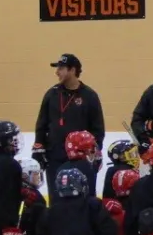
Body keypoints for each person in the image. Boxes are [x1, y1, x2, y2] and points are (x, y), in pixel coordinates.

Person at [32, 54, 106, 199]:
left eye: (61, 68)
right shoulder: (51, 94)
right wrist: (38, 149)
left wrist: (95, 152)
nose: (57, 72)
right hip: (54, 157)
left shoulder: (89, 96)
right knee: (56, 198)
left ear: (72, 70)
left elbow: (98, 128)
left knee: (84, 197)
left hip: (81, 159)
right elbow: (41, 124)